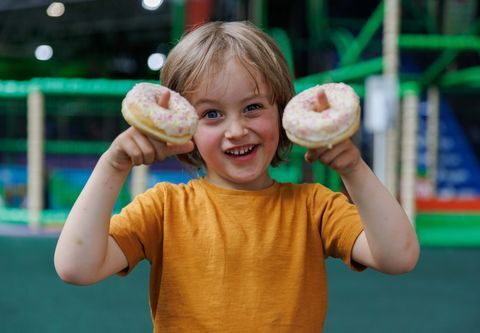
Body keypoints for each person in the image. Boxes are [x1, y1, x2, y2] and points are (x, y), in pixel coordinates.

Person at [54, 21, 420, 332]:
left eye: (253, 107)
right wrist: (112, 164)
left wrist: (354, 169)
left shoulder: (314, 207)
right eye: (212, 114)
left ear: (282, 110)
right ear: (184, 125)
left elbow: (398, 256)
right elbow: (76, 267)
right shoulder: (164, 208)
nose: (237, 130)